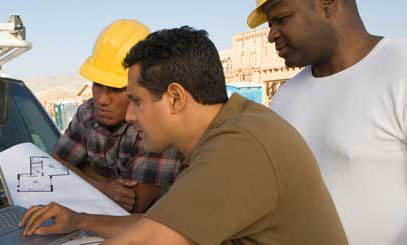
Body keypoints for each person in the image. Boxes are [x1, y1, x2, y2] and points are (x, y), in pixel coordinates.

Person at [19, 26, 348, 244]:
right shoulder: (228, 131)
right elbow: (160, 226)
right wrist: (79, 219)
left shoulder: (239, 147)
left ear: (175, 98)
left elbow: (151, 239)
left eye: (136, 101)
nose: (130, 116)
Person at [247, 0, 407, 243]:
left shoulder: (400, 68)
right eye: (270, 24)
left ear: (327, 4)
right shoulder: (284, 98)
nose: (271, 36)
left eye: (282, 19)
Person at [52, 19, 182, 213]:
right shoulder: (87, 113)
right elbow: (55, 166)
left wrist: (83, 170)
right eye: (97, 84)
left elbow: (133, 204)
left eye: (115, 88)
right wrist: (104, 187)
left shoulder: (157, 125)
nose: (102, 99)